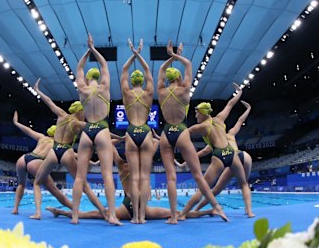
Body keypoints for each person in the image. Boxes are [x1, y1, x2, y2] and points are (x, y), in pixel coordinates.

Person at [47, 136, 213, 221]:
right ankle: (207, 211)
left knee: (93, 215)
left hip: (127, 207)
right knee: (176, 213)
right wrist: (153, 138)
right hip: (143, 208)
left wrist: (121, 139)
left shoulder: (120, 165)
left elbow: (108, 145)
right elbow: (155, 144)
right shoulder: (142, 165)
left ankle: (60, 211)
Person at [157, 40, 227, 224]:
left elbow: (160, 73)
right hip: (180, 131)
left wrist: (168, 57)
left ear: (167, 79)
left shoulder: (161, 91)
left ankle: (173, 217)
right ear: (179, 78)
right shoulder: (184, 90)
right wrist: (176, 55)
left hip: (166, 133)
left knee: (170, 178)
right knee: (197, 175)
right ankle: (217, 207)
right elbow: (188, 64)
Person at [30, 78, 106, 220]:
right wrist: (120, 138)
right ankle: (103, 211)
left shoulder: (61, 115)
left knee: (37, 182)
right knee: (84, 186)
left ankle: (37, 213)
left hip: (54, 151)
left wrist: (38, 90)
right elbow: (102, 129)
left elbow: (49, 101)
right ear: (80, 111)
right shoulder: (78, 123)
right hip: (66, 152)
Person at [178, 92, 255, 220]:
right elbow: (230, 104)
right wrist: (240, 93)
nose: (195, 115)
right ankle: (250, 212)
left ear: (202, 113)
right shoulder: (219, 119)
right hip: (231, 153)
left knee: (203, 188)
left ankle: (183, 214)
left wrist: (163, 139)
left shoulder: (202, 126)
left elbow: (182, 133)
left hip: (219, 156)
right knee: (243, 184)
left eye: (197, 112)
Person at [71, 34, 121, 225]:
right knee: (107, 174)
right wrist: (94, 49)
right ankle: (113, 216)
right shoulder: (104, 87)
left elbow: (79, 68)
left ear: (87, 78)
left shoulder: (82, 89)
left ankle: (75, 217)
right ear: (98, 77)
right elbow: (104, 65)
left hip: (87, 130)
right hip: (101, 128)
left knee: (79, 177)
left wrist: (86, 51)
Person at [11, 111, 73, 215]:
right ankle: (74, 209)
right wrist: (92, 162)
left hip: (24, 158)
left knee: (21, 184)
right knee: (55, 191)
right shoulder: (58, 144)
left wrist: (16, 122)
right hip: (36, 161)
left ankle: (15, 209)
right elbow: (73, 155)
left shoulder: (42, 137)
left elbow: (28, 130)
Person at [120, 38, 154, 223]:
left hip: (131, 131)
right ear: (142, 81)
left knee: (133, 178)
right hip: (146, 131)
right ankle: (143, 215)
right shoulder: (148, 94)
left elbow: (124, 70)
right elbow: (148, 71)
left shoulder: (126, 93)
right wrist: (140, 54)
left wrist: (133, 54)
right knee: (144, 177)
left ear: (132, 81)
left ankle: (135, 217)